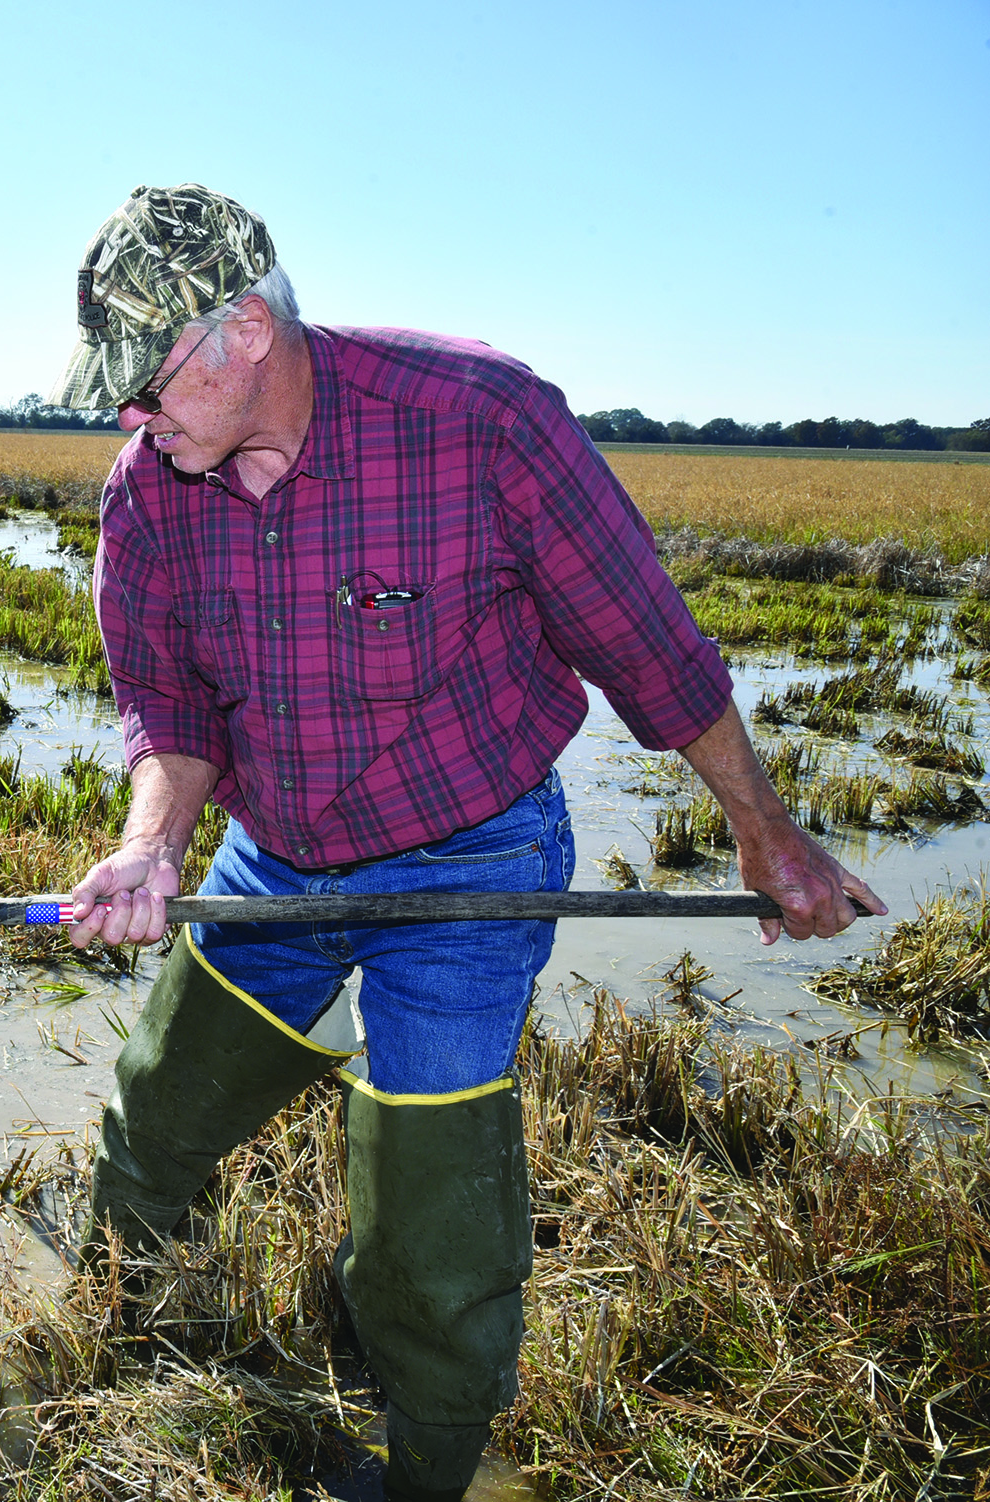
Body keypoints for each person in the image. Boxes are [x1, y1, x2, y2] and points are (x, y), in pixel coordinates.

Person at [51, 183, 885, 1502]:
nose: (128, 416)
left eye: (144, 381)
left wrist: (764, 831)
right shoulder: (149, 490)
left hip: (464, 861)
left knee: (427, 1223)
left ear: (245, 335)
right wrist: (153, 841)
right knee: (154, 1122)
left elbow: (645, 645)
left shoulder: (478, 422)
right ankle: (134, 1337)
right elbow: (166, 699)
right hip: (274, 860)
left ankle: (423, 1463)